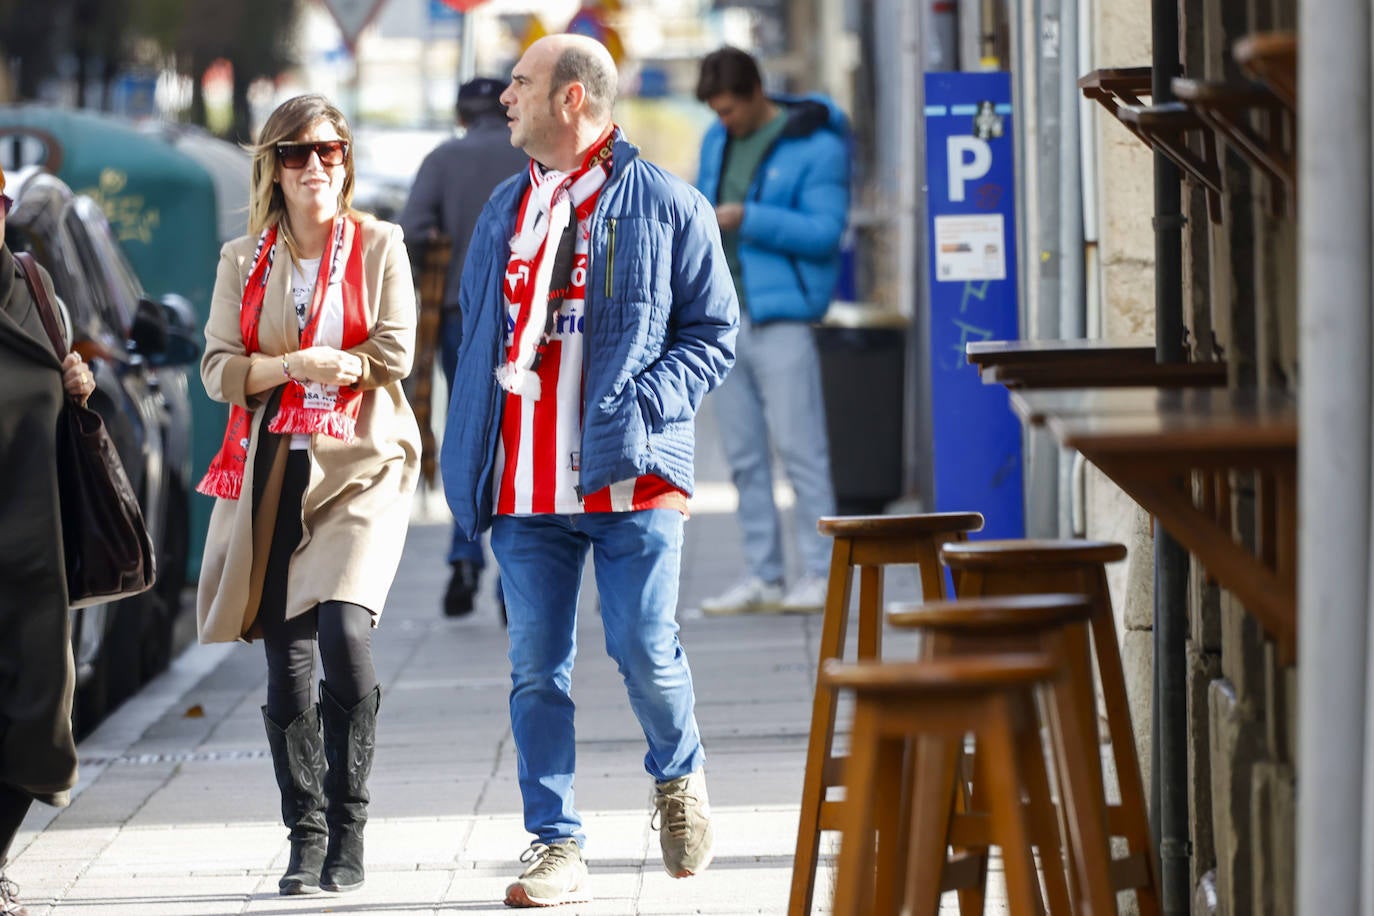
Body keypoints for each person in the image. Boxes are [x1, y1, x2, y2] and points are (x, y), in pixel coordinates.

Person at [439, 33, 738, 909]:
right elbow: (476, 332)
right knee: (537, 668)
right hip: (525, 491)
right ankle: (554, 843)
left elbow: (713, 333)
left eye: (522, 84)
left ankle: (679, 778)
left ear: (572, 99)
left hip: (630, 476)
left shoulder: (664, 203)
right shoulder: (503, 208)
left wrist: (646, 407)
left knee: (643, 647)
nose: (504, 96)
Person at [196, 94, 420, 897]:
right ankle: (306, 834)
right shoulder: (242, 259)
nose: (314, 166)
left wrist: (343, 366)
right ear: (274, 168)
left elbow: (393, 347)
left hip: (361, 461)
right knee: (286, 661)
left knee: (344, 632)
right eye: (296, 154)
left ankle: (350, 827)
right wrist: (293, 368)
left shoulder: (379, 244)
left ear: (346, 161)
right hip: (275, 472)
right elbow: (220, 368)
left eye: (328, 151)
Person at [693, 46, 851, 616]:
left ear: (758, 92)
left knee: (802, 451)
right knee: (744, 457)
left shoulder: (818, 145)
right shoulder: (717, 139)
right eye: (716, 111)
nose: (723, 120)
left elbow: (825, 233)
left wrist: (746, 218)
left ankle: (823, 572)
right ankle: (764, 576)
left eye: (730, 109)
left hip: (784, 320)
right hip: (724, 320)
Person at [0, 163, 98, 916]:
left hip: (34, 550)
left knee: (41, 715)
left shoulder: (33, 289)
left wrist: (74, 383)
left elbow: (60, 382)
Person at [399, 76, 527, 619]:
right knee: (519, 437)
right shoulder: (530, 153)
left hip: (459, 314)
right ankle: (510, 580)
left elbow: (412, 228)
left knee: (470, 430)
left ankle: (463, 553)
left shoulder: (443, 157)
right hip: (525, 315)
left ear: (460, 114)